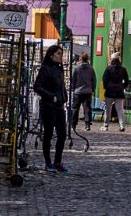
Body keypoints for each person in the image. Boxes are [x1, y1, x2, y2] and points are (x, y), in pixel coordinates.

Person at [33, 44, 68, 174]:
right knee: (48, 134)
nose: (61, 56)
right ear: (51, 54)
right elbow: (37, 86)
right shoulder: (45, 69)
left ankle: (57, 162)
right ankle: (48, 163)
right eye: (58, 54)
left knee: (62, 134)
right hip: (48, 106)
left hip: (59, 105)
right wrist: (51, 96)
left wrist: (64, 96)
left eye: (61, 54)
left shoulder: (59, 69)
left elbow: (61, 85)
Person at [102, 54, 130, 132]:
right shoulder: (123, 69)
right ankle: (121, 126)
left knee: (108, 109)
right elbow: (127, 81)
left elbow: (104, 79)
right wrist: (122, 86)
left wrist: (106, 87)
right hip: (119, 92)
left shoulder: (108, 69)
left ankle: (106, 125)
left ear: (112, 60)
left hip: (109, 91)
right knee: (120, 109)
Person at [69, 54, 96, 131]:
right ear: (87, 59)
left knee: (75, 108)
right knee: (87, 108)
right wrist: (92, 89)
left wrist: (74, 88)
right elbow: (94, 80)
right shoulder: (91, 69)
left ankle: (73, 124)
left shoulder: (76, 68)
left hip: (78, 92)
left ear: (80, 59)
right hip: (88, 92)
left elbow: (73, 80)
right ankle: (87, 125)